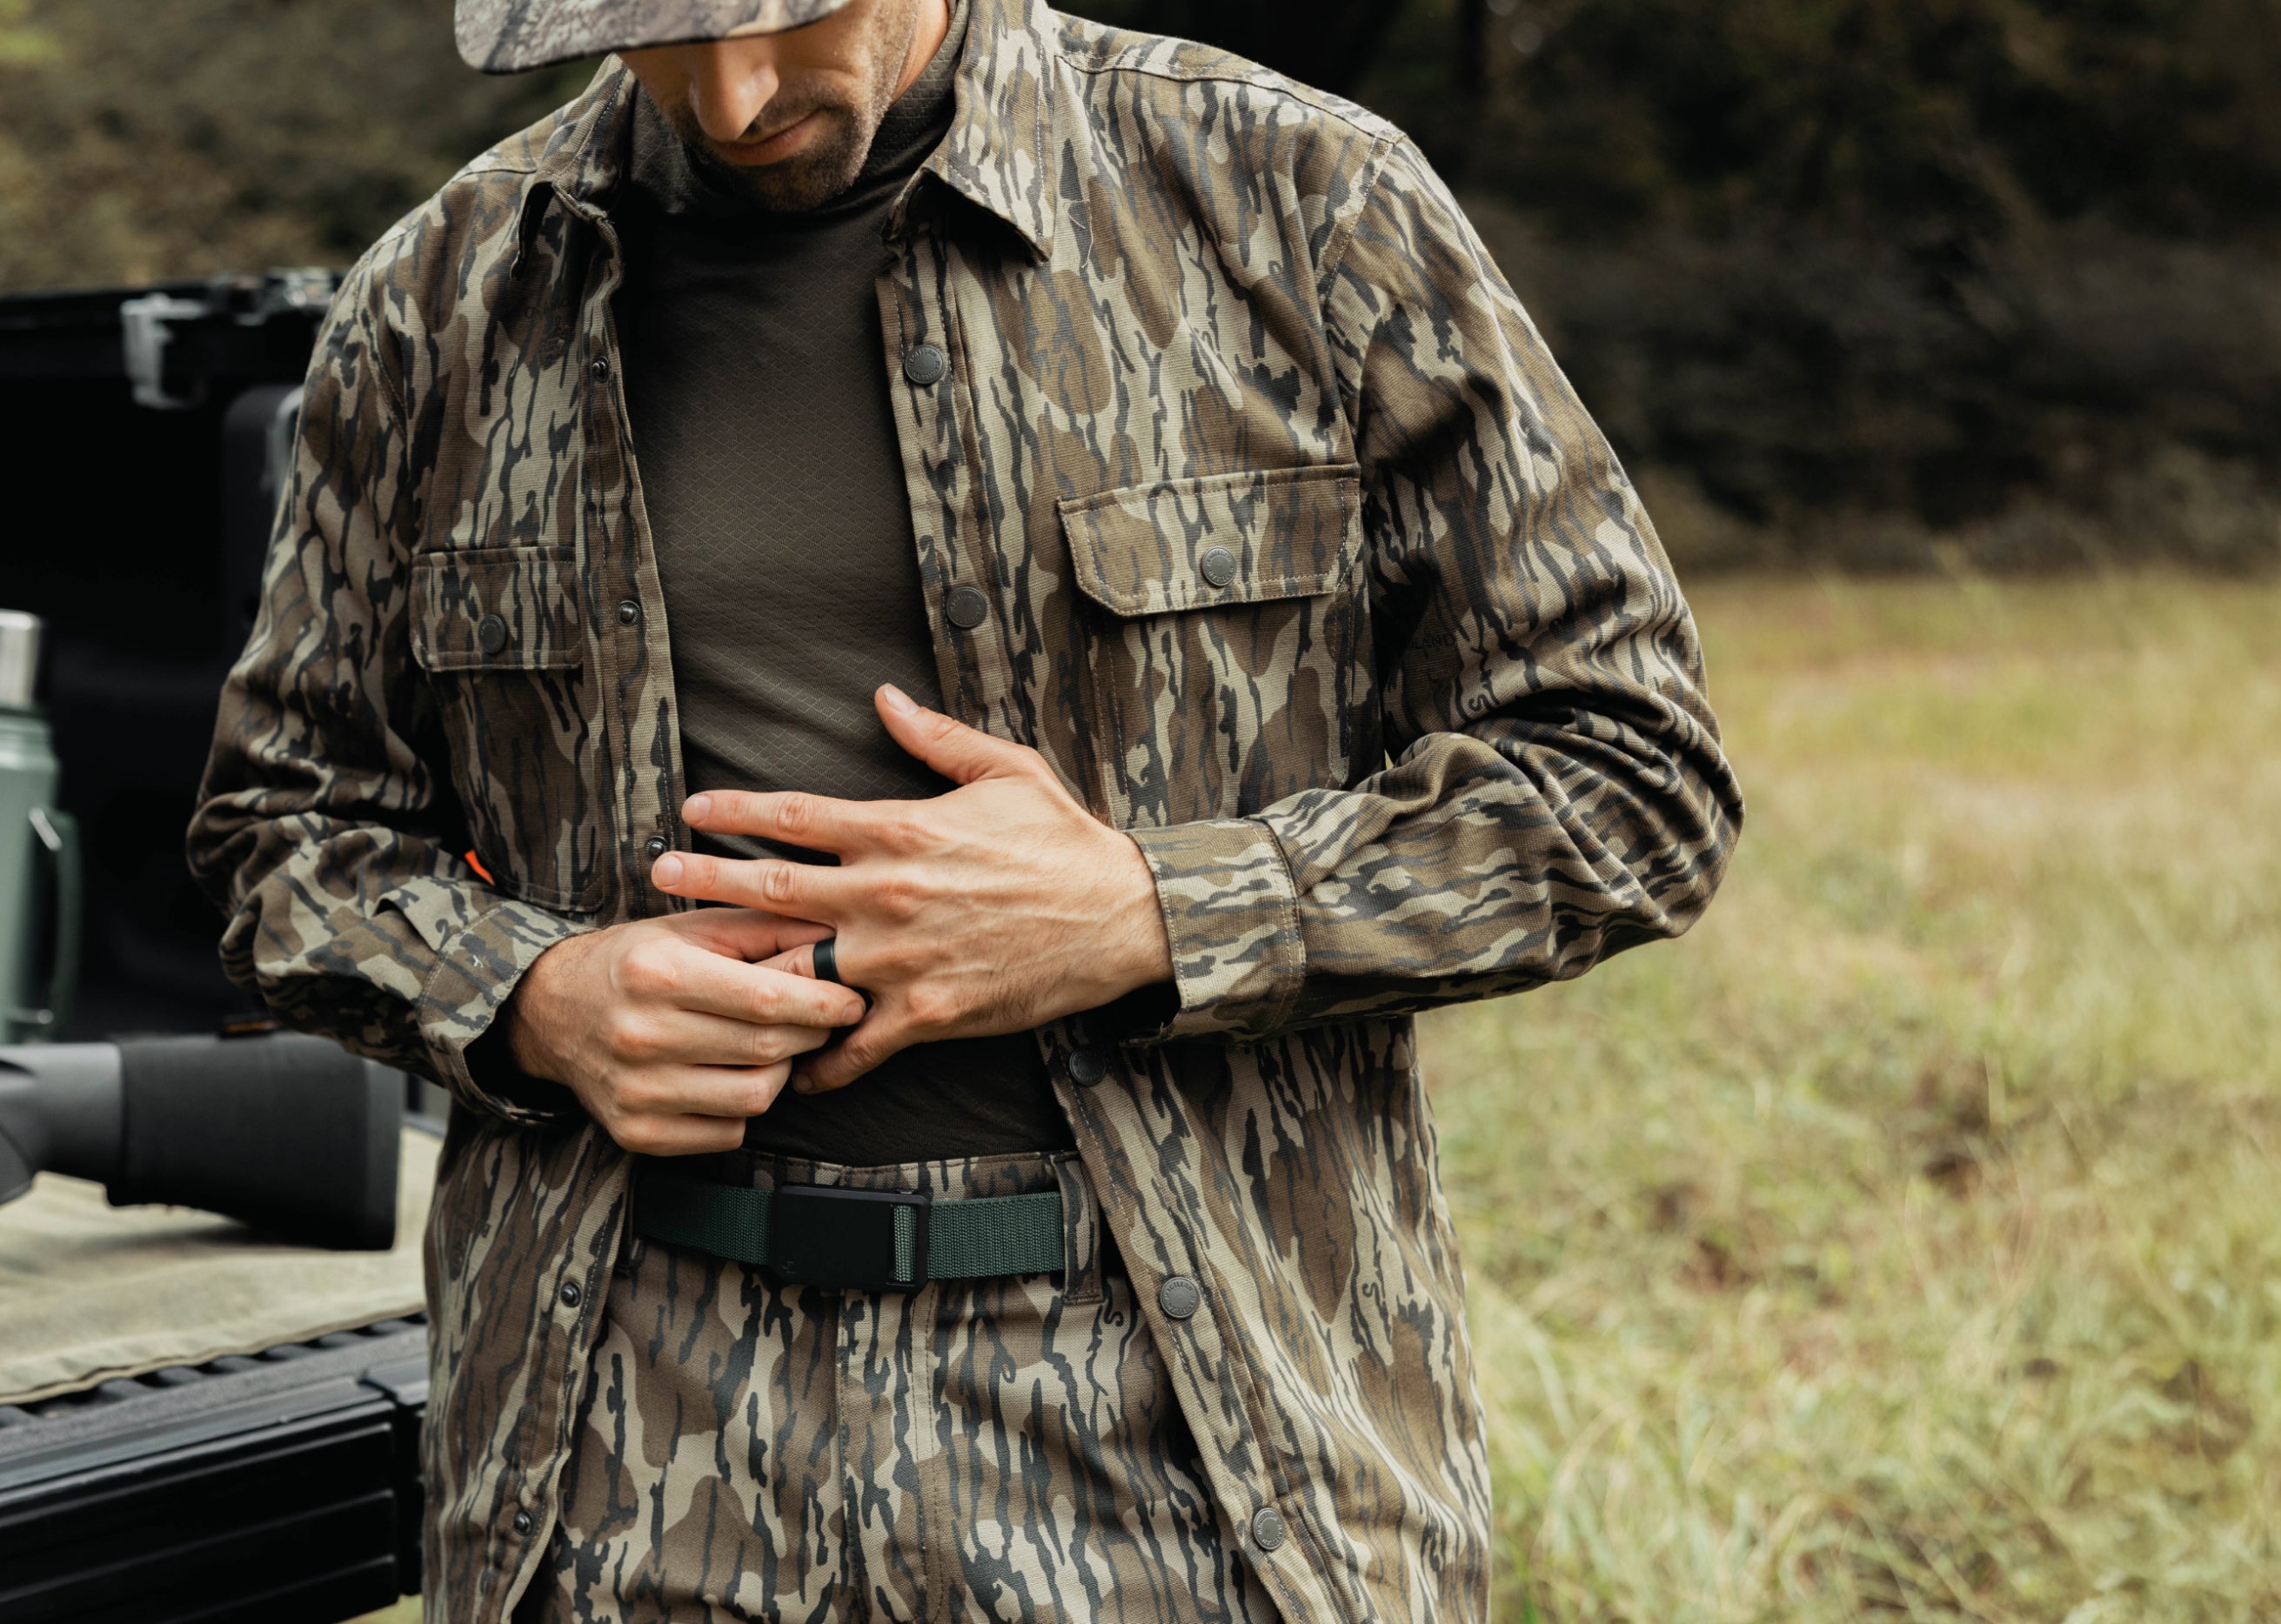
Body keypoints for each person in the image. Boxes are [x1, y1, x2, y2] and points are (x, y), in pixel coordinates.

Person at [189, 0, 1744, 1617]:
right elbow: (279, 837)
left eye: (788, 13)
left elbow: (1630, 774)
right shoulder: (439, 303)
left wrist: (1149, 912)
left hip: (1189, 1458)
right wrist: (530, 997)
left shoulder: (1295, 198)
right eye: (653, 38)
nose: (729, 99)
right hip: (617, 1453)